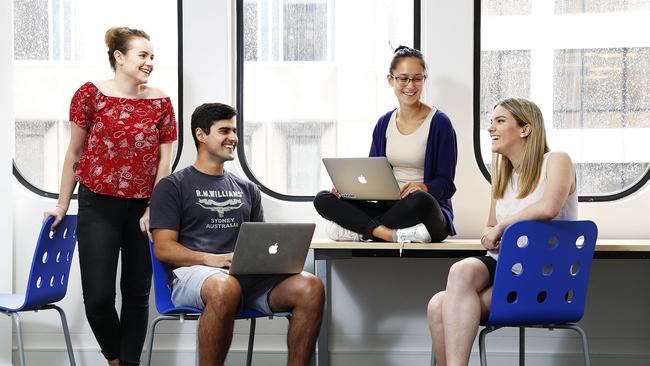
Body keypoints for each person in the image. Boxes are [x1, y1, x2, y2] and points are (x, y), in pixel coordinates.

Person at [150, 103, 325, 366]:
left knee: (311, 286)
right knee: (225, 287)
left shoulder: (247, 188)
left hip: (246, 278)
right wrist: (213, 260)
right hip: (194, 276)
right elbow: (163, 248)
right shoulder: (173, 186)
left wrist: (276, 262)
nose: (233, 137)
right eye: (224, 130)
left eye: (234, 130)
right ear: (201, 135)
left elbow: (261, 243)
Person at [44, 27, 177, 366]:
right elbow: (74, 153)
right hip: (97, 204)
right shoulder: (89, 95)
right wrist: (62, 204)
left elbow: (166, 160)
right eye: (142, 56)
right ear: (119, 57)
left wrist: (153, 208)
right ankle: (115, 359)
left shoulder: (161, 102)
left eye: (152, 57)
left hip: (142, 211)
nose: (149, 63)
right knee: (99, 297)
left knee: (136, 295)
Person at [426, 98, 577, 366]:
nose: (490, 129)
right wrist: (490, 235)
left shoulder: (557, 161)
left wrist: (502, 228)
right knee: (452, 282)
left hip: (544, 277)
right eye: (490, 122)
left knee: (441, 306)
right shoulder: (503, 176)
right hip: (506, 265)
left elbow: (549, 207)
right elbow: (489, 225)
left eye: (500, 121)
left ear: (525, 129)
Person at [313, 45, 457, 243]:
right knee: (323, 199)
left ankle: (361, 230)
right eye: (403, 78)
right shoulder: (384, 123)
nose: (411, 86)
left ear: (424, 80)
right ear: (391, 79)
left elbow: (446, 185)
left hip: (423, 211)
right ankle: (386, 234)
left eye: (417, 79)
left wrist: (422, 187)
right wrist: (346, 189)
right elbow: (372, 176)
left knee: (421, 201)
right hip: (390, 207)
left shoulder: (440, 123)